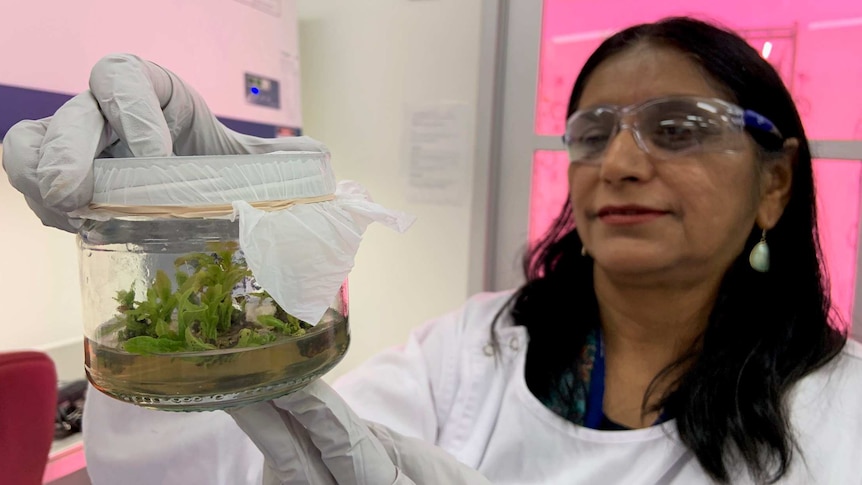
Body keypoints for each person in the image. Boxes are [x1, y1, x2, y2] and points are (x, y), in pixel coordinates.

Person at [4, 16, 862, 484]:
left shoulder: (841, 412)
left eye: (676, 128)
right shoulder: (480, 345)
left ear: (777, 180)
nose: (623, 163)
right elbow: (231, 468)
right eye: (594, 131)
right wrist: (181, 237)